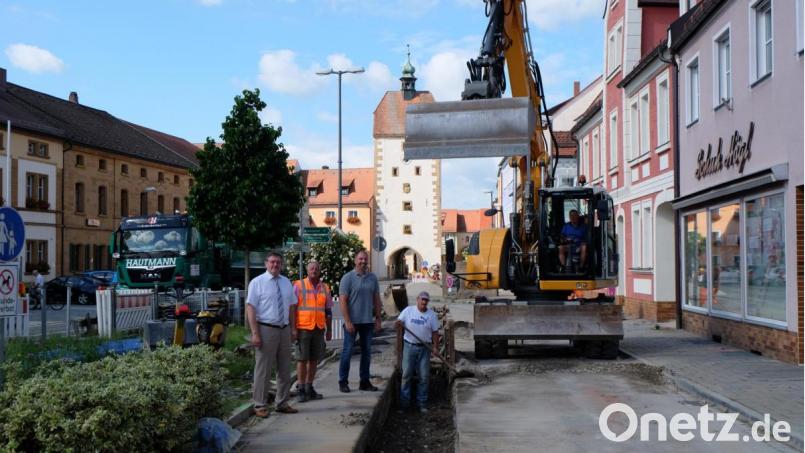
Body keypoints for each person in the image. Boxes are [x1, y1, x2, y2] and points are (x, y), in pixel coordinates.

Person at [246, 252, 298, 418]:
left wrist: (293, 328)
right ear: (266, 263)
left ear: (281, 265)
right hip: (265, 328)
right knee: (263, 369)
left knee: (284, 368)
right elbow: (250, 308)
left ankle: (281, 402)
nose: (275, 265)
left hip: (284, 329)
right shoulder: (257, 283)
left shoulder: (286, 283)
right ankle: (259, 404)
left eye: (278, 262)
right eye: (272, 262)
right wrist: (255, 333)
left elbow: (291, 306)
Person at [338, 249, 382, 393]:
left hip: (367, 322)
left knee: (367, 353)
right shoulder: (347, 278)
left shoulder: (373, 278)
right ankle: (343, 381)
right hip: (352, 322)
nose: (363, 261)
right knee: (347, 352)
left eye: (365, 259)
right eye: (360, 259)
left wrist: (378, 318)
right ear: (355, 261)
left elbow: (376, 299)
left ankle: (364, 381)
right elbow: (343, 301)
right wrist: (348, 321)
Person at [293, 260, 333, 403]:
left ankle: (310, 387)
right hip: (303, 328)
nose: (314, 270)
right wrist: (293, 329)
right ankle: (301, 389)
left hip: (318, 328)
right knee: (302, 359)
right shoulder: (298, 285)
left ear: (319, 270)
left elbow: (328, 311)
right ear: (307, 270)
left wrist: (329, 330)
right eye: (311, 268)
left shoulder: (325, 288)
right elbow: (292, 309)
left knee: (314, 359)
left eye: (316, 268)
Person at [396, 291, 440, 414]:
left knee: (424, 376)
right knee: (406, 375)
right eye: (422, 299)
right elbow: (399, 323)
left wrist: (435, 347)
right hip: (410, 346)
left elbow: (435, 332)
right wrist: (398, 323)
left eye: (426, 300)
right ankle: (404, 404)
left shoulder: (431, 315)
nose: (424, 302)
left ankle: (422, 403)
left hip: (424, 348)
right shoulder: (408, 311)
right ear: (417, 299)